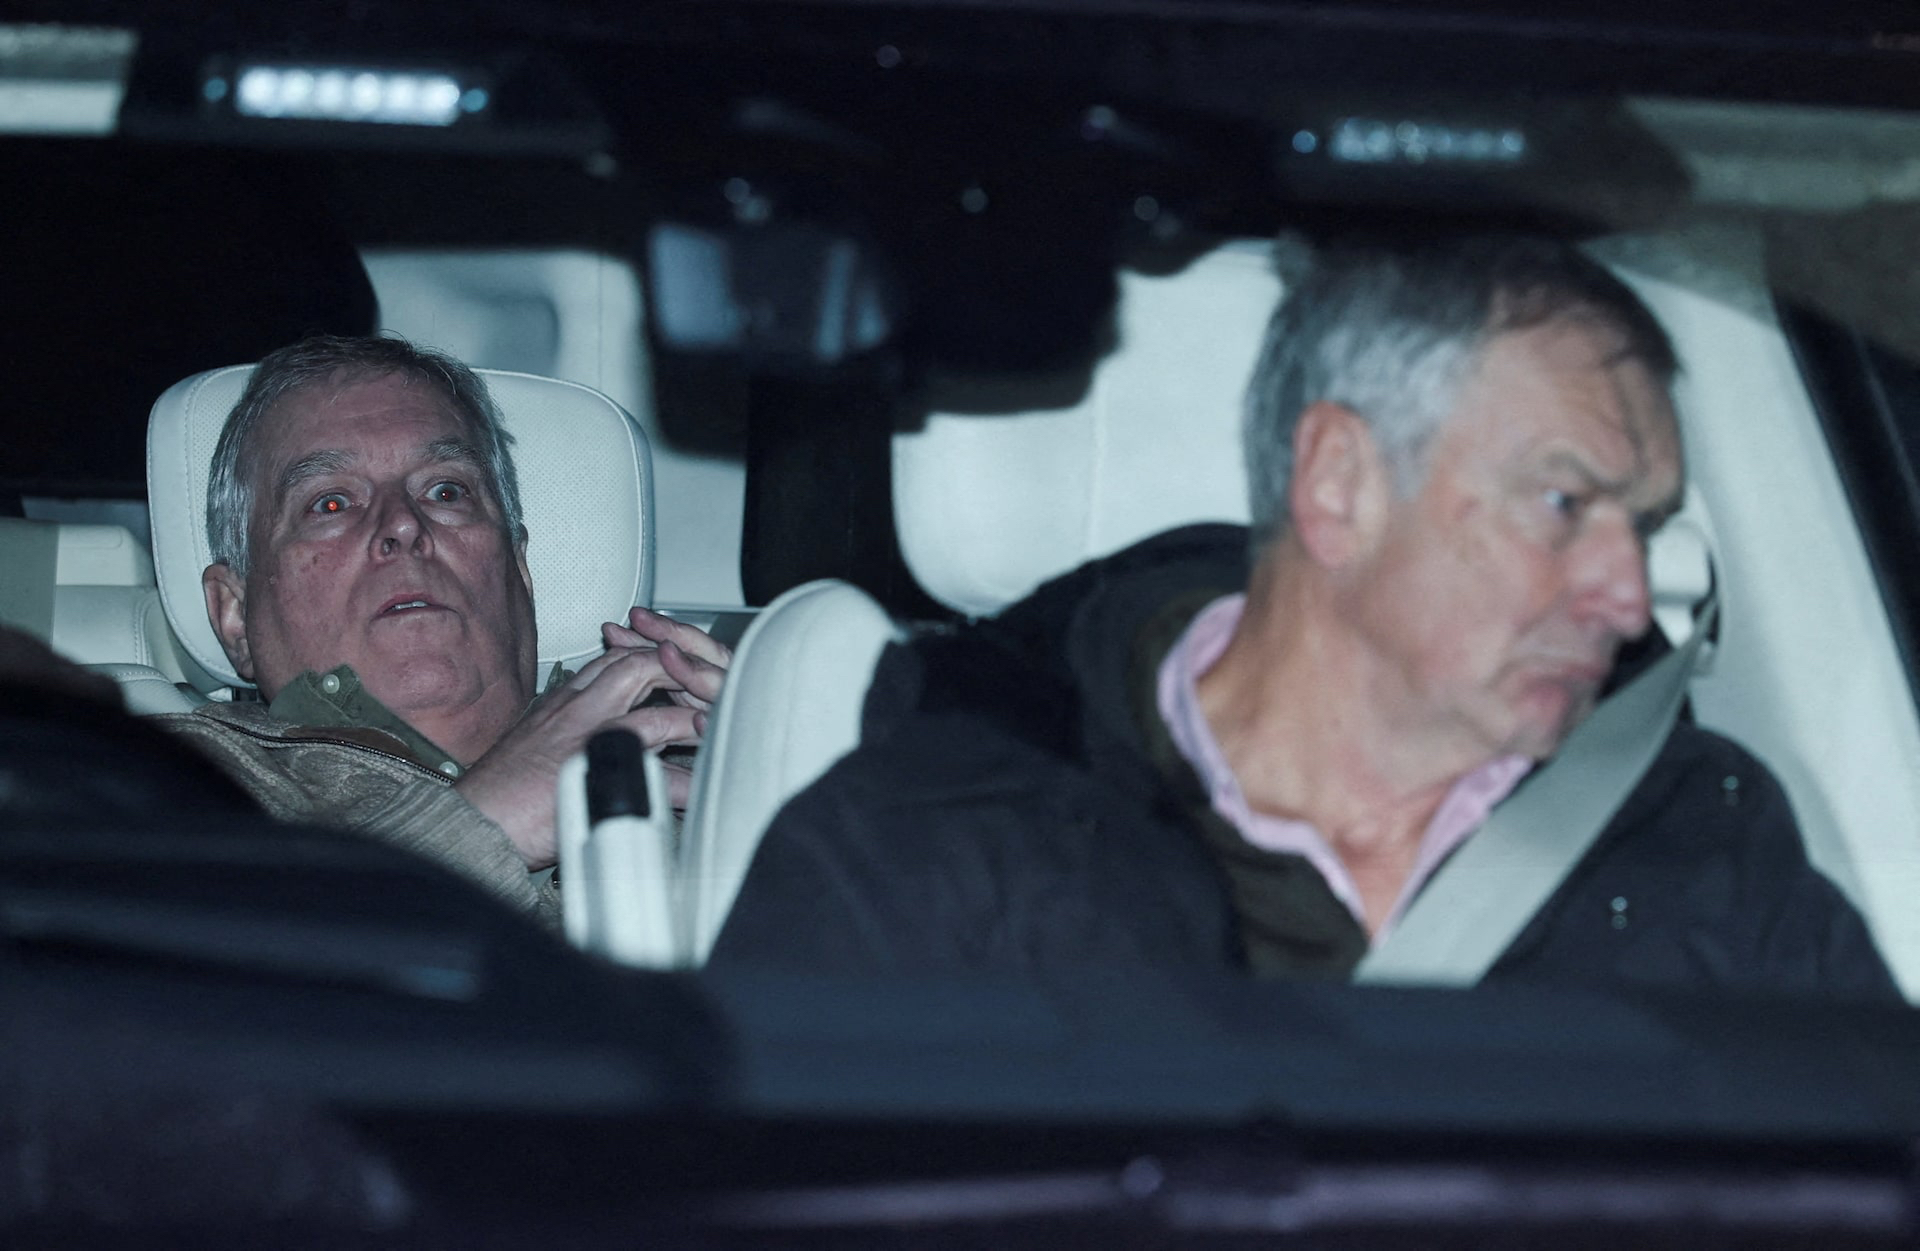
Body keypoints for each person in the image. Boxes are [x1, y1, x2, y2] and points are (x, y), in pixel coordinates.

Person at [710, 232, 1900, 999]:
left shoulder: (1700, 840)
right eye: (1563, 503)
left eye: (1641, 525)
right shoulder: (934, 844)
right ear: (1338, 484)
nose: (1631, 596)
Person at [155, 335, 731, 929]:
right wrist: (484, 830)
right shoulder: (164, 780)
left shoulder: (689, 750)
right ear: (235, 615)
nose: (404, 524)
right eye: (330, 504)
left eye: (445, 491)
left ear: (520, 571)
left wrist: (756, 760)